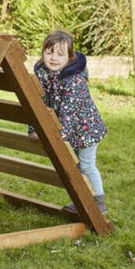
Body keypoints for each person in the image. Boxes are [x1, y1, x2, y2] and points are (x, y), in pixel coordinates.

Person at [28, 29, 108, 214]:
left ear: (69, 57)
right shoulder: (44, 74)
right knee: (75, 166)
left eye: (60, 54)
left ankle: (99, 202)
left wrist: (60, 136)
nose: (54, 58)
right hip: (68, 130)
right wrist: (33, 128)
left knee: (86, 165)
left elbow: (69, 112)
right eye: (50, 52)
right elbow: (38, 102)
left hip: (87, 129)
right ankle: (83, 201)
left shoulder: (73, 80)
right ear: (43, 53)